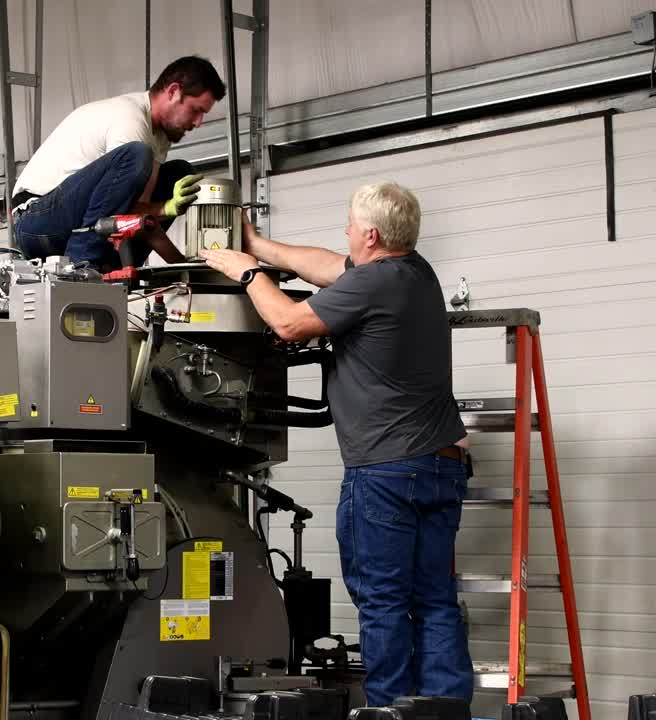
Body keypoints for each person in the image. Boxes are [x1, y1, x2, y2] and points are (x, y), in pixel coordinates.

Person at [201, 182, 473, 706]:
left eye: (349, 224)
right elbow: (327, 264)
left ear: (370, 235)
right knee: (435, 600)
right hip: (441, 464)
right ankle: (443, 712)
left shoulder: (373, 285)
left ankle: (389, 712)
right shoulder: (415, 272)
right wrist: (260, 245)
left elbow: (285, 322)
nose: (344, 232)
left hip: (387, 474)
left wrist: (247, 273)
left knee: (384, 603)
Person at [9, 55, 227, 271]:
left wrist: (181, 267)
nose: (198, 122)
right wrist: (165, 208)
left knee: (179, 173)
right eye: (196, 110)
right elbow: (135, 211)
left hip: (75, 220)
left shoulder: (158, 138)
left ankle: (114, 267)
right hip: (35, 221)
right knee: (136, 154)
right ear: (173, 92)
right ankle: (83, 265)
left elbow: (140, 214)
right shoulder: (130, 120)